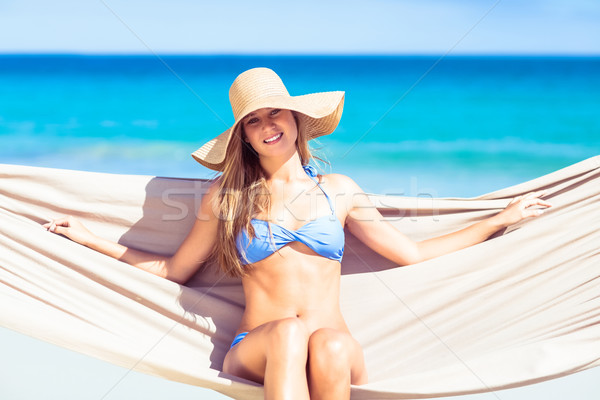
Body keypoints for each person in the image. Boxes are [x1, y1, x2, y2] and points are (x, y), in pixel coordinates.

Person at [43, 67, 552, 400]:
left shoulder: (340, 190)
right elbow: (174, 270)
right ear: (242, 135)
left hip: (336, 348)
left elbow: (411, 253)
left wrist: (498, 218)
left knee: (327, 343)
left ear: (297, 121)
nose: (267, 125)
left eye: (275, 113)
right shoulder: (227, 198)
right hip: (258, 347)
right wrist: (89, 238)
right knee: (288, 332)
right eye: (254, 120)